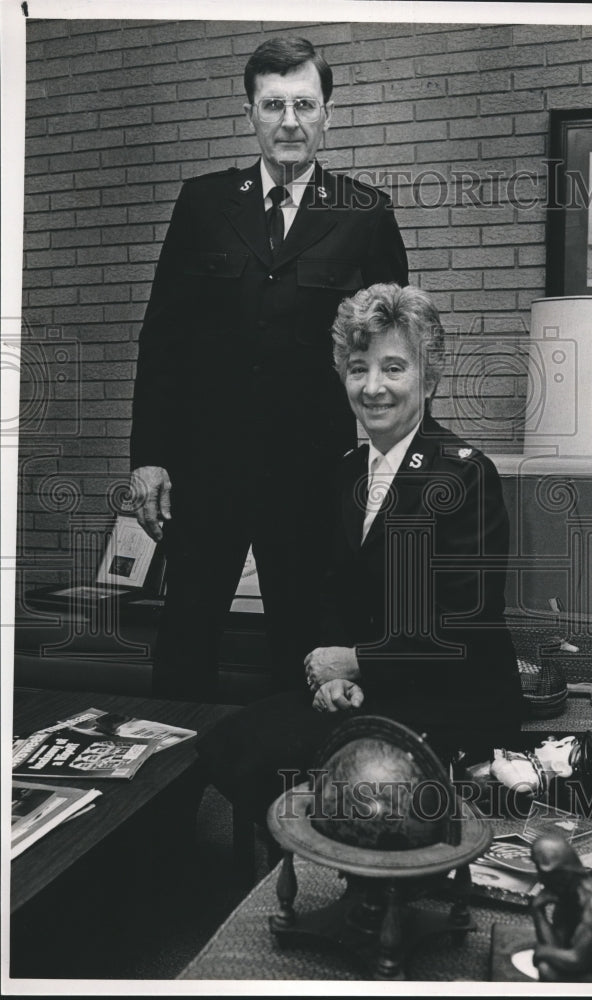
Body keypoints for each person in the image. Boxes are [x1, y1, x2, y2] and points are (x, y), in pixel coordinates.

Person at [129, 37, 408, 700]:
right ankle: (171, 797)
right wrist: (149, 457)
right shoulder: (203, 205)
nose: (289, 120)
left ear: (327, 116)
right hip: (206, 472)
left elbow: (391, 360)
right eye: (273, 104)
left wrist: (384, 466)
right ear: (250, 113)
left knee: (304, 646)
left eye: (304, 105)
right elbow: (163, 338)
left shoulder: (365, 213)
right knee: (185, 641)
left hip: (314, 477)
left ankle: (290, 793)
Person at [197, 283, 523, 822]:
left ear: (430, 376)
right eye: (358, 368)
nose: (373, 387)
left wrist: (356, 663)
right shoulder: (346, 471)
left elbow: (464, 625)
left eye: (394, 368)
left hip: (454, 698)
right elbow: (335, 593)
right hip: (370, 688)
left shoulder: (465, 474)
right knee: (227, 744)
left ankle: (329, 877)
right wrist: (337, 676)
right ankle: (288, 880)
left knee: (275, 758)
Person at [530, 833, 592, 982]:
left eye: (543, 874)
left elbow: (577, 961)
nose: (540, 879)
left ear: (562, 876)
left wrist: (541, 952)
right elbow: (557, 946)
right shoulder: (569, 894)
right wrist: (538, 912)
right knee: (547, 966)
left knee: (547, 970)